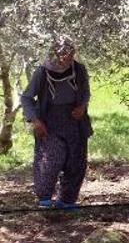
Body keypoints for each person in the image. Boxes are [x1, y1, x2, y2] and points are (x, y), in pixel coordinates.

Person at [20, 36, 93, 209]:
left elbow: (86, 92)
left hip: (74, 120)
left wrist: (82, 106)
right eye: (62, 54)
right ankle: (45, 201)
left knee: (76, 161)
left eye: (69, 54)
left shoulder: (79, 70)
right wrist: (35, 121)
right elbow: (26, 97)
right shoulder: (42, 72)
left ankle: (66, 202)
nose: (66, 58)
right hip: (49, 120)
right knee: (51, 159)